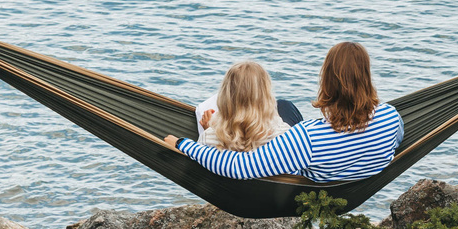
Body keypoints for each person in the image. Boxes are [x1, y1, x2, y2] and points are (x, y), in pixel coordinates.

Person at [164, 42, 404, 181]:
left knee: (284, 106)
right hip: (358, 180)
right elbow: (394, 142)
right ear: (367, 77)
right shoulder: (391, 117)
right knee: (284, 106)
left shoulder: (306, 137)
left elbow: (238, 167)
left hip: (303, 189)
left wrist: (184, 143)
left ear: (327, 82)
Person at [196, 61, 291, 150]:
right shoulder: (283, 135)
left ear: (224, 98)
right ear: (266, 97)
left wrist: (209, 129)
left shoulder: (207, 139)